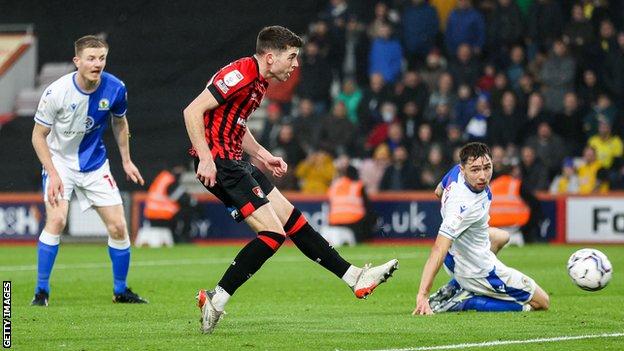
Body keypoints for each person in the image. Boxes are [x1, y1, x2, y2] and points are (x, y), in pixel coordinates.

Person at [183, 26, 398, 334]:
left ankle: (354, 278)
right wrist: (205, 157)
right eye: (292, 57)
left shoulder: (257, 82)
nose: (296, 65)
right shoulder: (241, 73)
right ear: (270, 57)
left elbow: (236, 126)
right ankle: (217, 298)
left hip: (235, 160)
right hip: (220, 163)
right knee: (272, 235)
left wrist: (262, 155)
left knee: (291, 219)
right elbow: (192, 111)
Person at [31, 35, 147, 306]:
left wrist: (127, 161)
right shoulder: (56, 92)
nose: (98, 64)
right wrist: (53, 173)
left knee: (119, 227)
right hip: (59, 162)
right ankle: (41, 292)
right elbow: (38, 136)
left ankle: (121, 291)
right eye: (91, 58)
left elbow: (120, 123)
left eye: (102, 58)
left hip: (94, 164)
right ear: (77, 61)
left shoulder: (116, 88)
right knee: (57, 220)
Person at [412, 142, 549, 315]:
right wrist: (422, 295)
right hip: (475, 270)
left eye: (487, 167)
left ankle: (456, 286)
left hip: (454, 255)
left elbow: (438, 190)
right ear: (464, 170)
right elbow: (438, 249)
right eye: (475, 170)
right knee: (542, 301)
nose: (483, 176)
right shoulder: (464, 206)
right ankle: (467, 300)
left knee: (502, 237)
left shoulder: (455, 172)